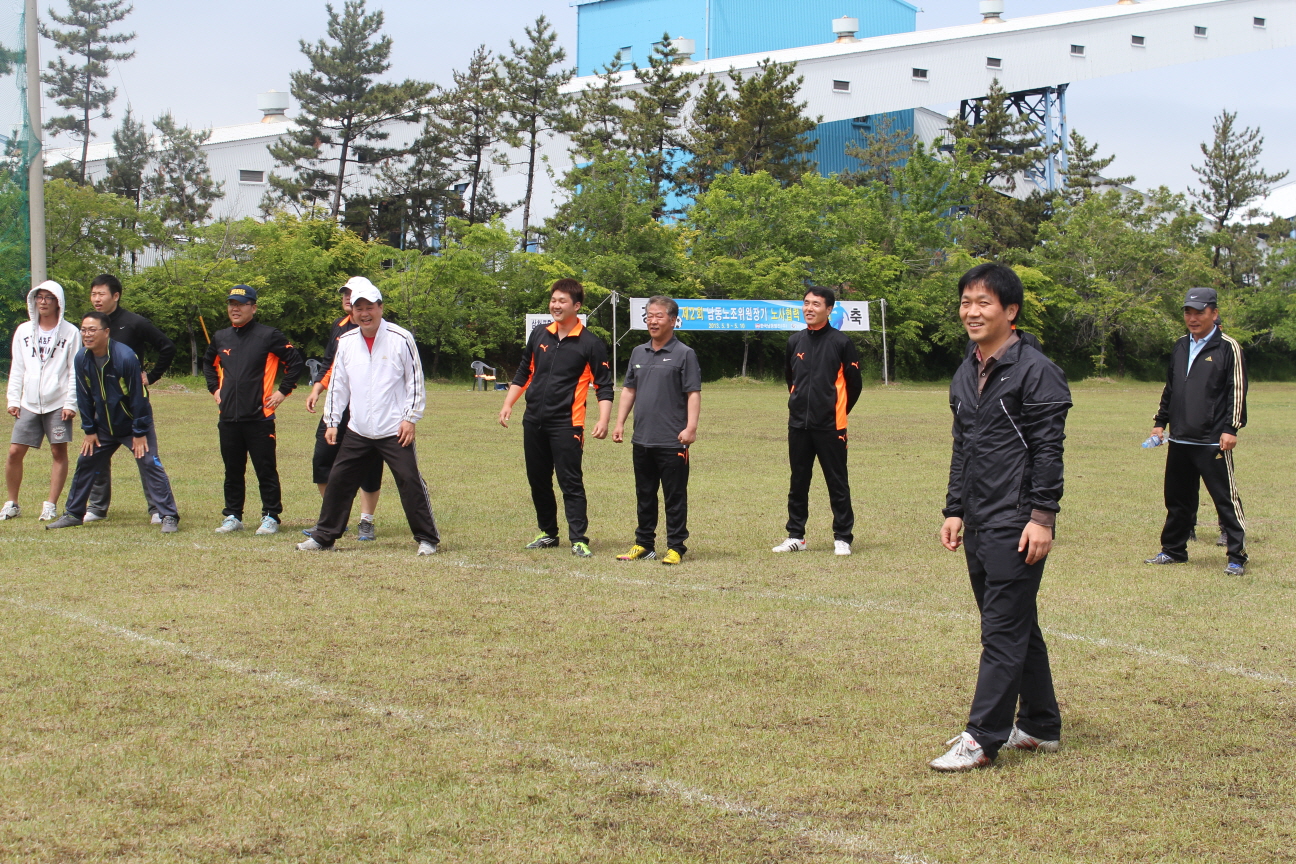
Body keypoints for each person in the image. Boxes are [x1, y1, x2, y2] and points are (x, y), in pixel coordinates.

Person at [932, 263, 1071, 772]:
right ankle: (1039, 724)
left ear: (1010, 312)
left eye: (983, 302)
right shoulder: (966, 370)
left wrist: (1042, 516)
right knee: (1014, 623)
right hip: (980, 517)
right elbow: (962, 447)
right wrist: (954, 508)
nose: (972, 311)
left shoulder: (1036, 370)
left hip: (1017, 519)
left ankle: (982, 736)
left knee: (1002, 630)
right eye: (966, 301)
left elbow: (1048, 451)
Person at [297, 282, 440, 556]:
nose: (364, 313)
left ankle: (427, 538)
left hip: (394, 428)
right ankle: (324, 537)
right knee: (339, 480)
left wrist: (410, 418)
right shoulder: (347, 341)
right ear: (353, 312)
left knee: (409, 480)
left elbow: (415, 382)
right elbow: (339, 384)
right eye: (358, 308)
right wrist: (332, 421)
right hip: (358, 429)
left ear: (380, 308)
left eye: (369, 307)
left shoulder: (401, 338)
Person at [498, 278, 613, 558]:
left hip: (567, 423)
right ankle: (548, 533)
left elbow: (604, 385)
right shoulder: (539, 334)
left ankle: (579, 538)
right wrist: (508, 403)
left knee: (570, 481)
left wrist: (604, 419)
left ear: (577, 306)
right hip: (533, 420)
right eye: (553, 300)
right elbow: (524, 372)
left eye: (562, 301)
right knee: (538, 479)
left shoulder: (591, 343)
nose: (556, 305)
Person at [1144, 287, 1248, 576]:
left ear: (1214, 313)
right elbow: (1171, 388)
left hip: (1212, 439)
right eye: (1188, 312)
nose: (1193, 317)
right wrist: (1160, 422)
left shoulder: (1228, 347)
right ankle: (1173, 550)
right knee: (1177, 500)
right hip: (1179, 438)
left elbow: (1236, 391)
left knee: (1224, 497)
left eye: (1199, 312)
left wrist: (1231, 428)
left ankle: (1237, 556)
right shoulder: (1180, 345)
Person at [45, 312, 179, 532]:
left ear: (106, 332)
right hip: (103, 427)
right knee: (86, 460)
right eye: (84, 330)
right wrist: (89, 429)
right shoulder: (82, 358)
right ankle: (73, 513)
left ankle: (168, 515)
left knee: (149, 462)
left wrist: (139, 432)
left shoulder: (125, 357)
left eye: (92, 330)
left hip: (132, 425)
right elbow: (84, 396)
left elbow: (139, 396)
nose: (87, 335)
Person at [201, 285, 304, 535]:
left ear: (253, 307)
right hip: (228, 418)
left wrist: (282, 392)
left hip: (260, 417)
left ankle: (271, 516)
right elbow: (208, 363)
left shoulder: (268, 335)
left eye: (241, 304)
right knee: (232, 470)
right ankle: (233, 516)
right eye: (231, 304)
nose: (235, 308)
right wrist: (215, 390)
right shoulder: (221, 337)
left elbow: (295, 361)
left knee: (265, 468)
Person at [772, 286, 863, 556]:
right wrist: (798, 404)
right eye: (806, 303)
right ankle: (796, 536)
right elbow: (791, 379)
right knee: (798, 480)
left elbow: (854, 385)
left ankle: (843, 537)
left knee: (837, 481)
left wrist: (837, 412)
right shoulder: (794, 341)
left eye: (816, 304)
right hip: (798, 424)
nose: (809, 308)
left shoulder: (841, 342)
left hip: (831, 425)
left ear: (829, 309)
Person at [612, 295, 701, 566]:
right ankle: (644, 544)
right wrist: (620, 423)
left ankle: (675, 546)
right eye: (649, 315)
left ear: (673, 320)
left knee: (675, 496)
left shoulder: (685, 353)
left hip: (673, 440)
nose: (653, 320)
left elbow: (693, 393)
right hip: (643, 439)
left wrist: (691, 428)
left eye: (659, 315)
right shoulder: (639, 352)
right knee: (644, 494)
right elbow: (629, 390)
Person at [85, 273, 176, 524]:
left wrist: (152, 376)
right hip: (102, 404)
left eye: (101, 293)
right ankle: (96, 507)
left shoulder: (134, 322)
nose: (96, 299)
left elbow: (167, 346)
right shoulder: (91, 325)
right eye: (93, 293)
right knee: (96, 457)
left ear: (116, 295)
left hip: (132, 404)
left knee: (146, 456)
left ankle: (157, 508)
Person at [303, 276, 384, 540]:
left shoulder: (384, 330)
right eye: (345, 294)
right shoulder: (338, 328)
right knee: (323, 460)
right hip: (338, 405)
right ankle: (335, 518)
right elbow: (329, 364)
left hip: (369, 406)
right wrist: (317, 389)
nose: (348, 298)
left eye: (353, 293)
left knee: (370, 466)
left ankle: (366, 521)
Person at [3, 281, 80, 522]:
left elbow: (74, 371)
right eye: (39, 297)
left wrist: (70, 403)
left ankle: (50, 504)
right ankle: (12, 503)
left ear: (59, 302)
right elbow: (18, 367)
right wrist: (13, 399)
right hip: (29, 403)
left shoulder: (71, 333)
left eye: (49, 297)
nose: (43, 301)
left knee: (58, 451)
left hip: (57, 403)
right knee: (15, 451)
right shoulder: (24, 330)